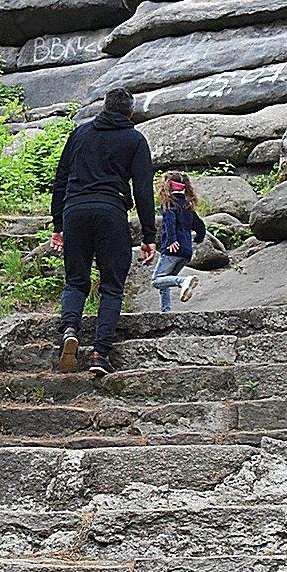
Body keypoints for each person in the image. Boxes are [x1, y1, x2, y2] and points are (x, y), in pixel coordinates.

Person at [50, 87, 156, 376]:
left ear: (104, 106)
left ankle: (70, 328)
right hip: (111, 211)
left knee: (76, 281)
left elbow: (60, 180)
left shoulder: (80, 134)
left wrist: (58, 224)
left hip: (75, 210)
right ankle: (99, 354)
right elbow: (143, 189)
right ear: (129, 111)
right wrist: (149, 236)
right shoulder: (135, 140)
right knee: (111, 285)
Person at [150, 173, 207, 312]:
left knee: (157, 280)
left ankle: (182, 281)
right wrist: (199, 238)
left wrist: (171, 240)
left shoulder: (169, 203)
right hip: (186, 252)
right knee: (165, 281)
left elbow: (170, 222)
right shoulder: (188, 205)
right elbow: (200, 226)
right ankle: (166, 311)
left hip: (172, 249)